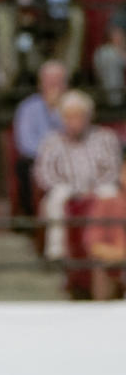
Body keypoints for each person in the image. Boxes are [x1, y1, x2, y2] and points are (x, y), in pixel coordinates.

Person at [34, 90, 121, 260]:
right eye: (68, 117)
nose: (73, 122)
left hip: (98, 187)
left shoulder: (105, 137)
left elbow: (113, 169)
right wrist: (74, 190)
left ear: (89, 116)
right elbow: (44, 173)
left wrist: (91, 190)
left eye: (78, 116)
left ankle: (110, 248)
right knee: (56, 198)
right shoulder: (51, 141)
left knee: (111, 194)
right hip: (64, 188)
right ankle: (56, 254)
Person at [13, 60, 67, 216]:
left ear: (66, 84)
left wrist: (58, 111)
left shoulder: (74, 105)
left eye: (58, 82)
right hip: (38, 158)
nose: (54, 86)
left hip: (70, 157)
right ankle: (30, 218)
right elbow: (26, 144)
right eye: (50, 82)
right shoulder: (28, 108)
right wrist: (51, 153)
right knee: (24, 166)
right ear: (40, 84)